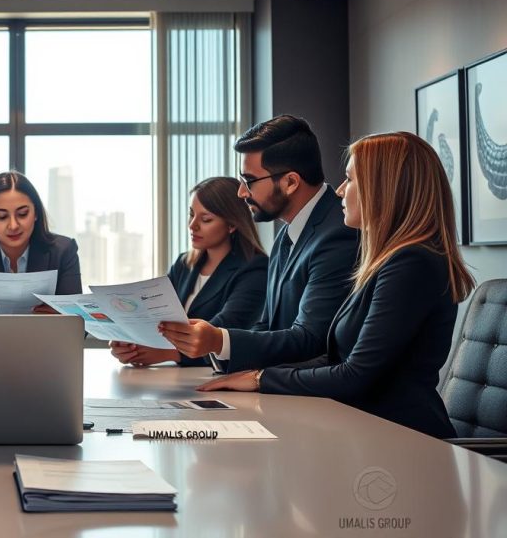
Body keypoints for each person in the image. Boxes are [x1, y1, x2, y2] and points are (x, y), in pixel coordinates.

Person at [199, 132, 473, 438]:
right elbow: (336, 357)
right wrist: (259, 376)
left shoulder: (412, 263)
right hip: (365, 428)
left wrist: (263, 379)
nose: (341, 191)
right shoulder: (389, 260)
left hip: (403, 440)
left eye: (350, 179)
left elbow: (356, 374)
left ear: (384, 189)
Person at [160, 115, 359, 372]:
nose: (241, 192)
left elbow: (312, 339)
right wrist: (220, 350)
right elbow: (268, 326)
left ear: (290, 182)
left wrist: (220, 340)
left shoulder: (339, 233)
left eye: (249, 181)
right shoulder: (287, 234)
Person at [111, 177, 267, 367]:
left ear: (232, 225)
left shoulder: (255, 269)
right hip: (176, 378)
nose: (192, 225)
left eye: (206, 219)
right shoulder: (184, 264)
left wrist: (168, 353)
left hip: (214, 377)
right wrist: (130, 343)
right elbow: (155, 317)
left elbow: (223, 331)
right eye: (191, 215)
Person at [0, 171, 82, 314]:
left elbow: (82, 324)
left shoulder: (64, 251)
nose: (13, 225)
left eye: (22, 214)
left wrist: (64, 318)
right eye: (2, 216)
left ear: (36, 213)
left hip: (44, 336)